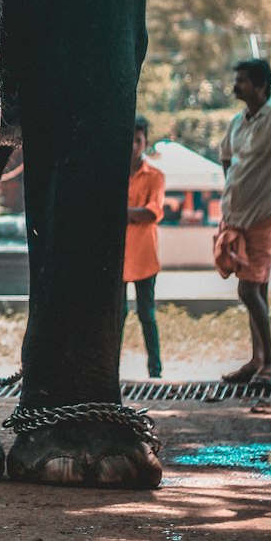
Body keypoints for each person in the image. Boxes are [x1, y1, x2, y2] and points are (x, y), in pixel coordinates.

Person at [215, 58, 271, 386]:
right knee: (256, 288)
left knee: (248, 290)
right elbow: (226, 155)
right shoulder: (238, 121)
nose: (236, 86)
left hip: (262, 215)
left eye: (243, 81)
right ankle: (258, 361)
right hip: (235, 216)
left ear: (261, 86)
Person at [121, 117, 165, 379]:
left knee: (146, 315)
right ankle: (109, 368)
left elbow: (152, 212)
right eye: (131, 140)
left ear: (145, 143)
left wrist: (121, 214)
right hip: (119, 258)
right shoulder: (114, 173)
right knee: (118, 316)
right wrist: (131, 214)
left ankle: (155, 370)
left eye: (138, 141)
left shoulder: (155, 177)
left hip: (145, 257)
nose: (134, 146)